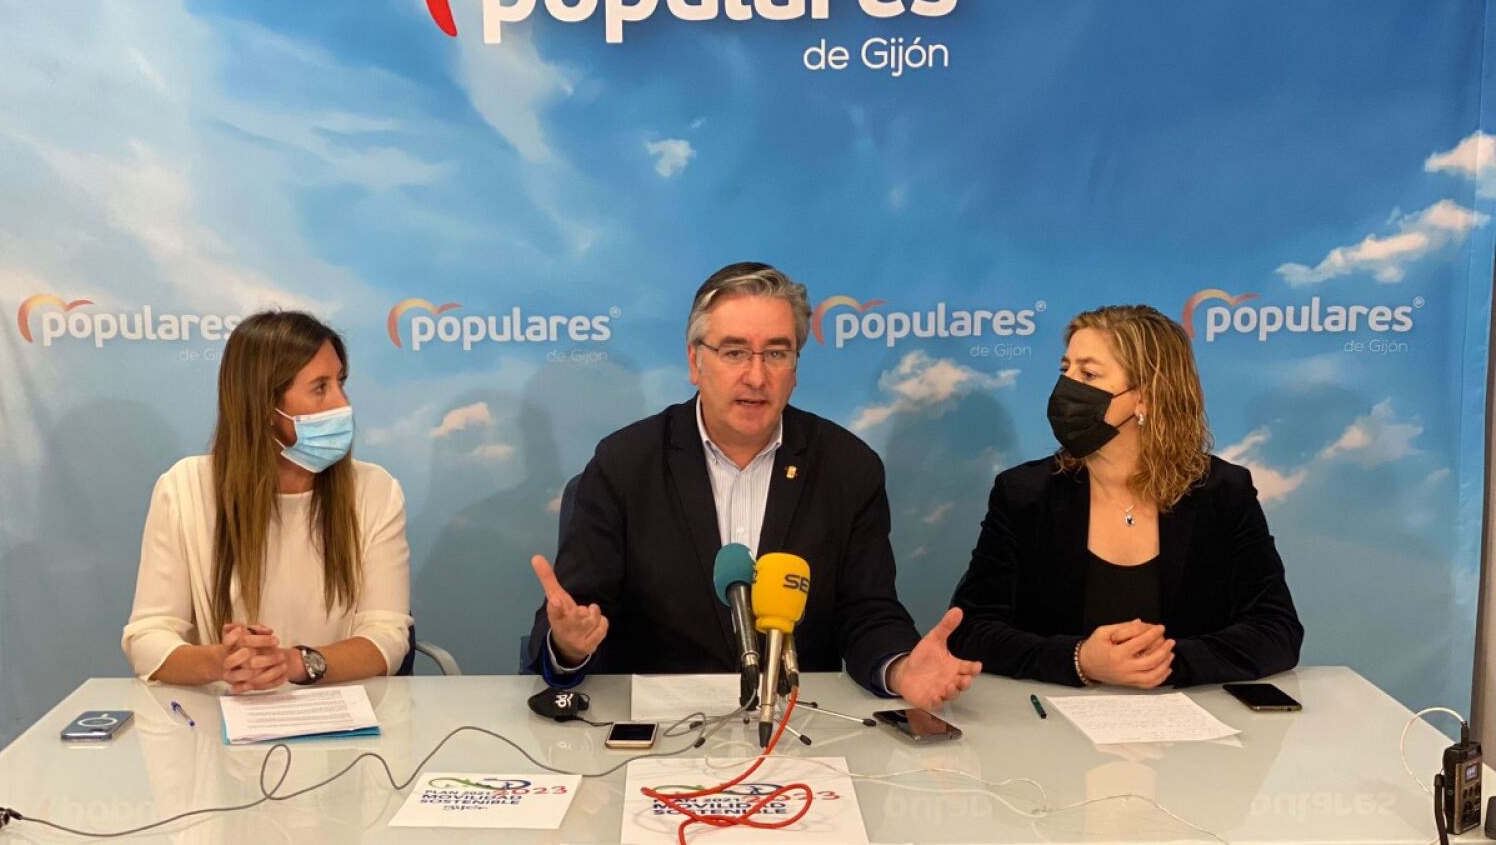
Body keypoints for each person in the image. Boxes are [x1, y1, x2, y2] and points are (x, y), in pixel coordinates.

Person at [526, 262, 981, 710]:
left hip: (796, 722)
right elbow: (579, 611)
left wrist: (900, 668)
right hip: (663, 725)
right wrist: (569, 645)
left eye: (777, 354)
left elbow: (867, 611)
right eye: (735, 352)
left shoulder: (847, 467)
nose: (757, 376)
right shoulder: (626, 463)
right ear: (695, 361)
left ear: (795, 368)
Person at [949, 304, 1302, 688]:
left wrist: (1160, 663)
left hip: (1188, 718)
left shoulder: (1223, 493)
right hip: (1051, 717)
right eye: (1065, 370)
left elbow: (1276, 630)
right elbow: (970, 628)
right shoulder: (1024, 493)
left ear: (1144, 397)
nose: (1066, 387)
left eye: (1088, 374)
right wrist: (1079, 660)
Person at [122, 311, 411, 691]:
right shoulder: (183, 488)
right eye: (320, 387)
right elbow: (148, 636)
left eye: (341, 383)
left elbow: (387, 636)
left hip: (341, 713)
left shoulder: (375, 490)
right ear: (262, 405)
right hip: (223, 714)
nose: (342, 404)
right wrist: (223, 662)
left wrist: (294, 662)